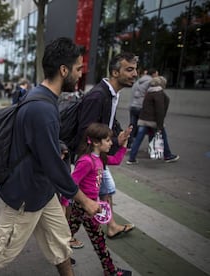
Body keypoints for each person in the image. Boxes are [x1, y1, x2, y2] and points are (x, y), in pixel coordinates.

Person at [0, 37, 100, 276]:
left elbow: (38, 143)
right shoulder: (42, 107)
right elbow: (52, 164)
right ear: (64, 70)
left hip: (43, 190)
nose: (80, 74)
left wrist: (57, 144)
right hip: (26, 194)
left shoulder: (41, 98)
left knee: (60, 243)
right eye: (78, 68)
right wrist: (85, 200)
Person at [75, 52, 137, 239]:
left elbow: (108, 121)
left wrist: (118, 137)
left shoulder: (110, 94)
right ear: (115, 73)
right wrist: (99, 150)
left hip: (98, 153)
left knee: (105, 191)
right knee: (78, 198)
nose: (135, 74)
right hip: (90, 155)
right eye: (129, 69)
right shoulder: (98, 95)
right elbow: (86, 129)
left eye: (135, 70)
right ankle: (67, 234)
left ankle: (110, 226)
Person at [69, 123, 132, 276]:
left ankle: (60, 256)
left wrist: (123, 146)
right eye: (108, 140)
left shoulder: (100, 158)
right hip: (87, 207)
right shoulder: (86, 161)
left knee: (67, 233)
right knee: (99, 242)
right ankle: (111, 271)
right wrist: (65, 204)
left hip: (86, 206)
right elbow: (70, 184)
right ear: (96, 142)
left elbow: (116, 160)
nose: (111, 143)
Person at [127, 76, 179, 164]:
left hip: (144, 119)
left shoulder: (149, 92)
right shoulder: (159, 93)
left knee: (138, 139)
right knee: (163, 137)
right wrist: (160, 125)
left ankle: (131, 158)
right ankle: (167, 155)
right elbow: (160, 110)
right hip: (153, 121)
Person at [128, 68, 158, 148]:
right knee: (147, 128)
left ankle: (129, 144)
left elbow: (133, 93)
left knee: (132, 126)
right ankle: (151, 148)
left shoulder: (138, 81)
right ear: (153, 74)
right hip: (142, 107)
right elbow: (151, 95)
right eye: (156, 74)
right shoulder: (151, 82)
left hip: (133, 106)